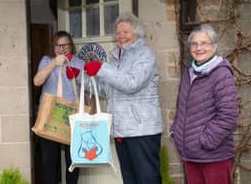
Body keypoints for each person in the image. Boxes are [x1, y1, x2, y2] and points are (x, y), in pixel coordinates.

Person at [84, 12, 164, 184]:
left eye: (125, 32)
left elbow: (131, 83)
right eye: (118, 32)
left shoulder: (146, 55)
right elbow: (104, 90)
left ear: (137, 33)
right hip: (122, 129)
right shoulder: (115, 60)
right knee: (130, 179)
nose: (121, 36)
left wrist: (102, 68)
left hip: (142, 130)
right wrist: (79, 77)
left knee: (147, 179)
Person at [170, 24, 238, 184]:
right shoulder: (189, 73)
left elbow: (228, 116)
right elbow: (182, 109)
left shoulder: (221, 74)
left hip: (214, 155)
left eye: (204, 43)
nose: (198, 48)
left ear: (214, 46)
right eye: (194, 44)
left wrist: (205, 141)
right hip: (191, 155)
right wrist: (176, 132)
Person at [33, 30, 83, 184]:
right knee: (48, 160)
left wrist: (90, 110)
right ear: (53, 47)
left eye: (66, 45)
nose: (62, 49)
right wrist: (54, 63)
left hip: (72, 116)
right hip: (49, 114)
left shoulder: (79, 63)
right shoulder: (46, 60)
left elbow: (87, 90)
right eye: (58, 45)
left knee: (73, 161)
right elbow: (37, 81)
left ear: (71, 46)